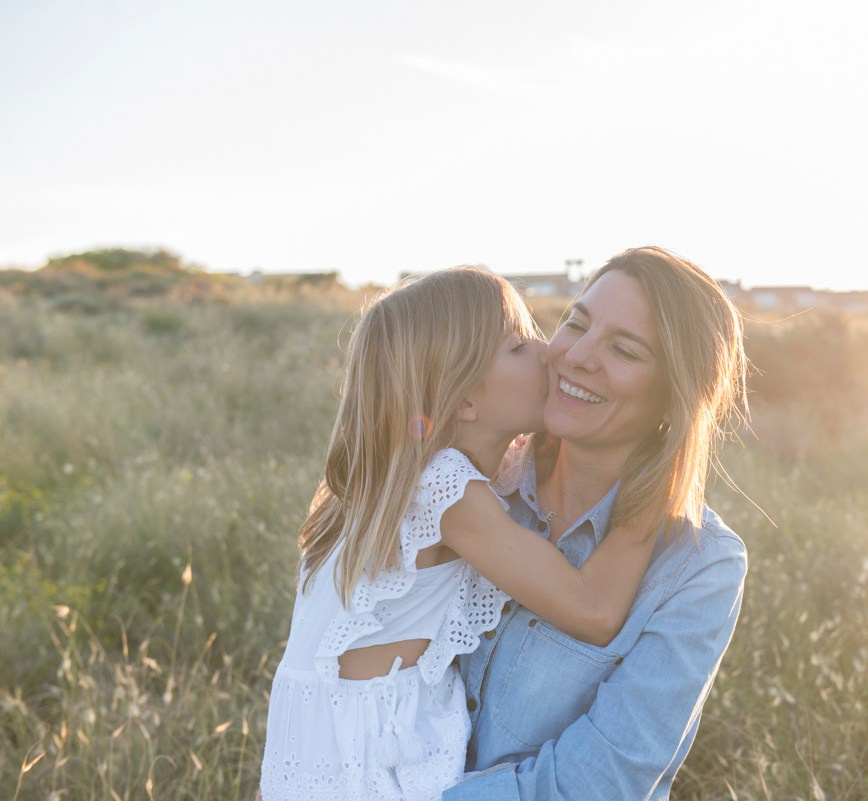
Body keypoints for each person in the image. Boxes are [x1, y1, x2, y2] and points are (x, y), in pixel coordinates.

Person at [258, 267, 657, 801]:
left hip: (317, 751)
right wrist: (653, 489)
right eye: (518, 346)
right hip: (368, 766)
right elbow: (593, 612)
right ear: (465, 401)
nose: (547, 351)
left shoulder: (400, 477)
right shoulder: (444, 487)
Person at [445, 246, 750, 800]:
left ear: (672, 397)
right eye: (576, 323)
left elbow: (599, 783)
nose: (578, 356)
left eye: (624, 350)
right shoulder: (474, 481)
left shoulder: (698, 566)